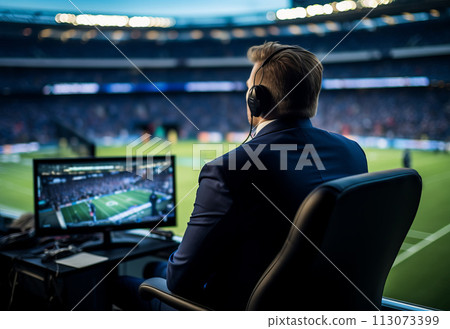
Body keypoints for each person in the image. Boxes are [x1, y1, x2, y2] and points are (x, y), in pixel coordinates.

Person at [113, 42, 368, 310]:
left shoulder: (230, 169)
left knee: (121, 284)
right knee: (155, 265)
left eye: (249, 87)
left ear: (257, 100)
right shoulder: (352, 152)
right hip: (318, 306)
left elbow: (180, 281)